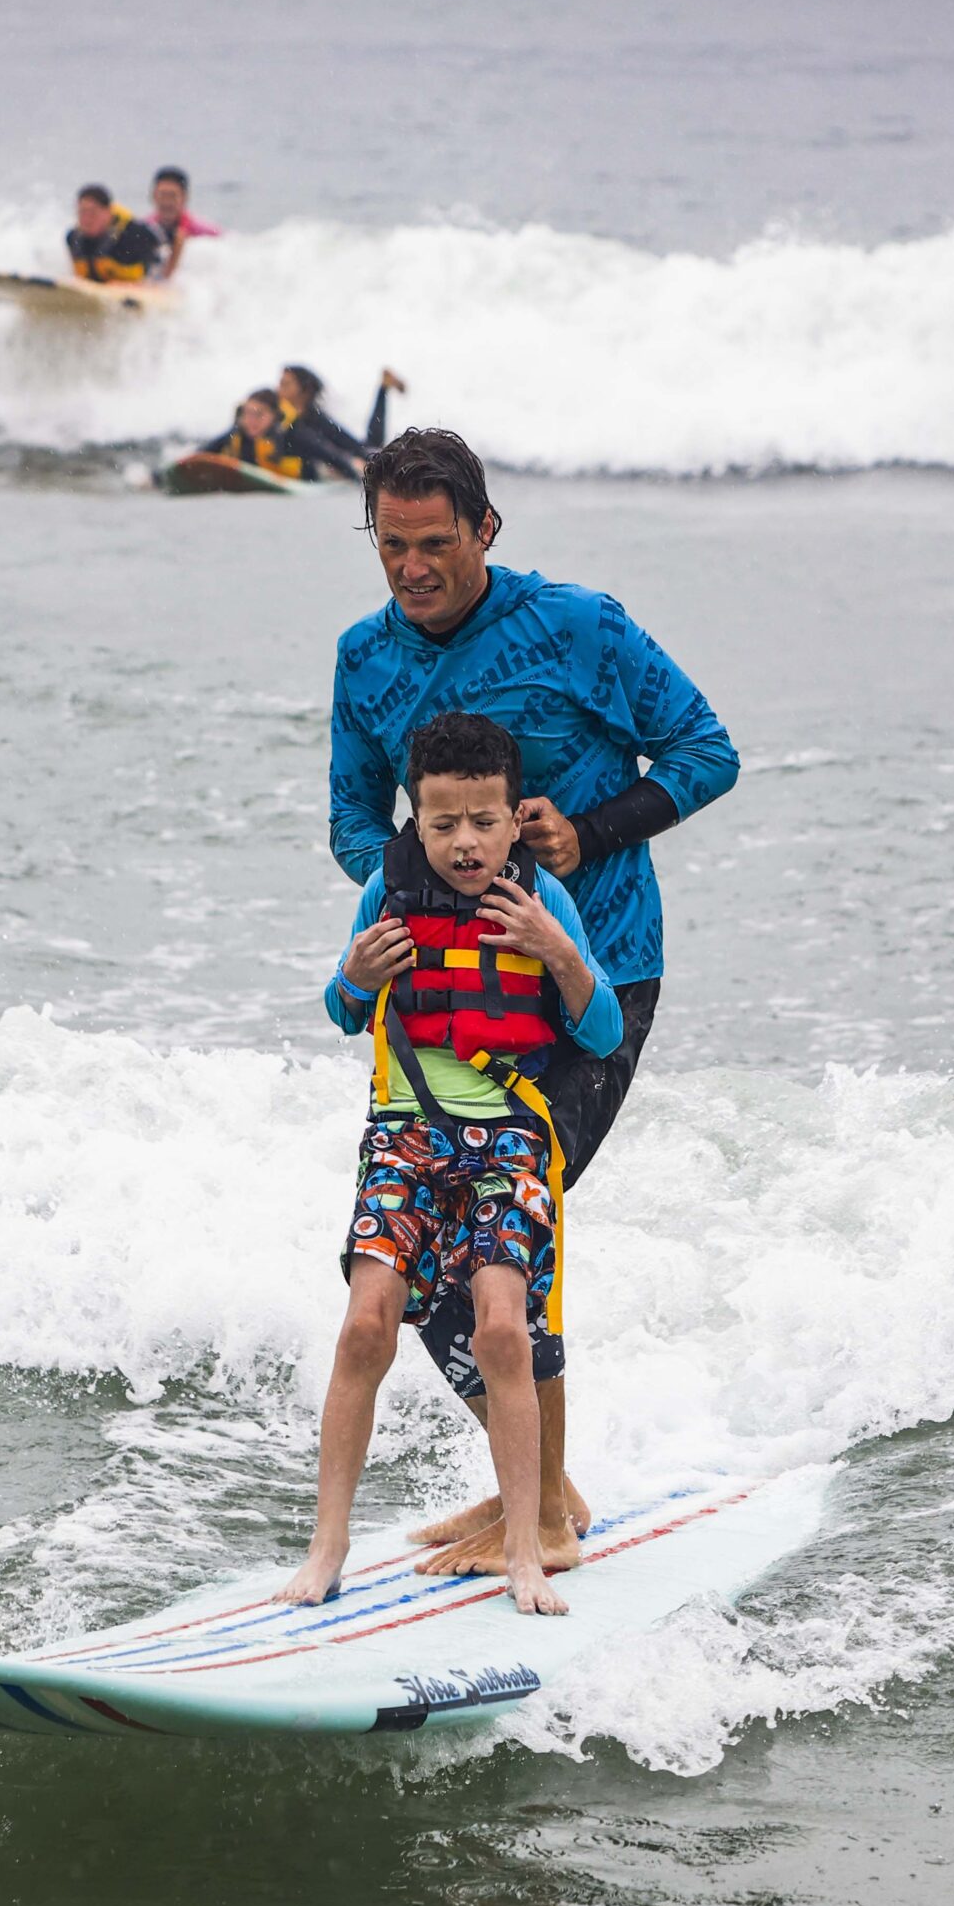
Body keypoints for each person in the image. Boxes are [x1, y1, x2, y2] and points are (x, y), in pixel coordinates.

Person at [330, 426, 738, 1574]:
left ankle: (543, 1514)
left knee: (504, 1248)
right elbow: (352, 816)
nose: (412, 568)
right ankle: (542, 1488)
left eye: (435, 544)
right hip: (444, 1004)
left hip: (595, 973)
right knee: (415, 1261)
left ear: (487, 529)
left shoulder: (579, 627)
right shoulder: (364, 659)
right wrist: (412, 884)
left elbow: (705, 750)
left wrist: (587, 832)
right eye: (391, 544)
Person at [285, 710, 622, 1616]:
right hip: (404, 1133)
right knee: (365, 1325)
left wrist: (559, 954)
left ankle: (527, 1549)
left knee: (504, 1329)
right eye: (442, 825)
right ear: (416, 820)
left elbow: (601, 1031)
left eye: (483, 822)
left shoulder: (543, 901)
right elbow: (343, 1010)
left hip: (509, 1136)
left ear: (516, 820)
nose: (464, 844)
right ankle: (327, 1548)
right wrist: (354, 978)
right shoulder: (385, 892)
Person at [280, 363, 406, 478]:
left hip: (348, 458)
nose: (279, 389)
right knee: (370, 446)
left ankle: (383, 388)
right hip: (342, 458)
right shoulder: (287, 417)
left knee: (370, 450)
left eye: (285, 385)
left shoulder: (313, 419)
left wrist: (350, 463)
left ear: (304, 390)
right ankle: (383, 388)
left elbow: (332, 448)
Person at [66, 184, 163, 286]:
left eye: (92, 213)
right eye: (82, 212)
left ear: (108, 212)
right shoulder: (73, 238)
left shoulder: (135, 236)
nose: (86, 220)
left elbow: (157, 276)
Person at [200, 389, 297, 473]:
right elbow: (200, 455)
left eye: (259, 414)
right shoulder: (235, 435)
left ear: (274, 416)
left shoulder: (289, 438)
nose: (251, 420)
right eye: (247, 413)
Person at [146, 166, 222, 270]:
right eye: (162, 195)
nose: (167, 202)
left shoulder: (206, 232)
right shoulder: (144, 228)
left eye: (172, 196)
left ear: (185, 197)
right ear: (154, 196)